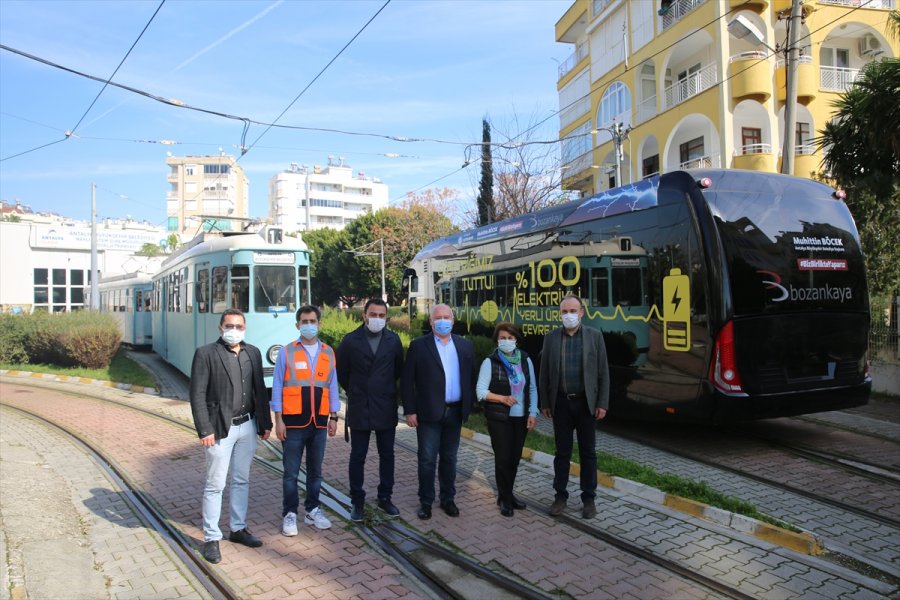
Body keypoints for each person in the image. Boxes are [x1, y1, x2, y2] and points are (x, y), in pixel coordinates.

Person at [189, 308, 273, 564]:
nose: (233, 330)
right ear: (220, 328)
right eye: (229, 325)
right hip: (220, 429)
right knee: (216, 484)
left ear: (244, 328)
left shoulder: (253, 353)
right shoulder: (206, 354)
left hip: (248, 426)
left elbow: (260, 389)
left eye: (238, 326)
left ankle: (237, 528)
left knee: (241, 479)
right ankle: (211, 538)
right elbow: (197, 395)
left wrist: (265, 422)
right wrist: (205, 429)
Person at [402, 304, 476, 520]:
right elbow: (408, 381)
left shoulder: (465, 346)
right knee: (427, 459)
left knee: (450, 458)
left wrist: (468, 406)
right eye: (438, 318)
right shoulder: (418, 346)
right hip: (428, 413)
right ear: (431, 322)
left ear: (453, 320)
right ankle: (426, 501)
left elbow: (470, 377)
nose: (443, 321)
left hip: (454, 411)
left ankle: (447, 499)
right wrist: (410, 410)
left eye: (447, 317)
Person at [539, 294, 610, 519]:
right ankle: (560, 496)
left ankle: (588, 499)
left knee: (588, 452)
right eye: (564, 312)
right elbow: (544, 374)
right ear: (559, 314)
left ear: (581, 312)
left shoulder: (594, 336)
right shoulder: (550, 338)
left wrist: (602, 403)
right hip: (561, 403)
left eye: (573, 311)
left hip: (586, 403)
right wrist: (545, 402)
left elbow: (603, 372)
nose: (568, 315)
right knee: (562, 452)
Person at [272, 305, 340, 534]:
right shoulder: (287, 351)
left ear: (319, 324)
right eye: (304, 321)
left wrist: (334, 416)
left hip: (319, 422)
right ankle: (290, 514)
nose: (309, 325)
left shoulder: (328, 352)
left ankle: (312, 510)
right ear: (297, 325)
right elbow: (278, 385)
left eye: (313, 321)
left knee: (316, 471)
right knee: (291, 473)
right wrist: (278, 419)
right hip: (293, 422)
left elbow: (332, 386)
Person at [336, 298, 405, 522]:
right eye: (373, 314)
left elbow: (397, 371)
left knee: (387, 455)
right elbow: (342, 373)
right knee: (358, 456)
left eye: (381, 315)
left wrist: (381, 389)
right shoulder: (350, 341)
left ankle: (385, 497)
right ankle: (357, 500)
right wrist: (358, 390)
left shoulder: (393, 341)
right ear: (364, 315)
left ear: (386, 317)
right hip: (360, 406)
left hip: (385, 405)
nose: (377, 319)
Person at [476, 322, 538, 517]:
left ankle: (507, 494)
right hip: (499, 418)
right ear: (497, 340)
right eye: (503, 338)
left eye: (510, 338)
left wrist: (532, 413)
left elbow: (533, 389)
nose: (507, 341)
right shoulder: (490, 362)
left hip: (520, 418)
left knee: (514, 459)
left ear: (516, 340)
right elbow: (480, 392)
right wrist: (502, 398)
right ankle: (505, 499)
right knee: (503, 459)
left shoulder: (526, 360)